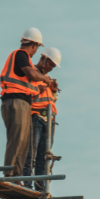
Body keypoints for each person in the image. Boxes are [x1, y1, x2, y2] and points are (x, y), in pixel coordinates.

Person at [0, 28, 52, 180]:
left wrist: (39, 87)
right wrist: (44, 79)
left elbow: (27, 82)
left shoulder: (24, 59)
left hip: (21, 102)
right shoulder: (20, 54)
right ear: (35, 45)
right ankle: (10, 174)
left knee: (23, 142)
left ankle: (17, 176)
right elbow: (31, 74)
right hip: (15, 102)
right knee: (16, 139)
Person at [23, 47, 61, 190]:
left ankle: (40, 187)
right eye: (50, 64)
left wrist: (54, 91)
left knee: (44, 156)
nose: (51, 68)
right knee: (30, 152)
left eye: (53, 66)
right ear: (43, 59)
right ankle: (27, 184)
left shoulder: (48, 79)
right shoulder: (31, 72)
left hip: (49, 121)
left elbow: (52, 100)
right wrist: (39, 90)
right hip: (35, 117)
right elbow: (26, 93)